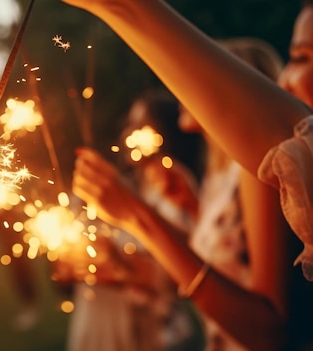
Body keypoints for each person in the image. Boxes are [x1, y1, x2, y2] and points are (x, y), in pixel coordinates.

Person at [65, 0, 313, 349]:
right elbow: (231, 264)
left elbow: (270, 331)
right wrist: (193, 209)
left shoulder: (265, 168)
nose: (181, 83)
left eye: (301, 57)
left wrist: (137, 215)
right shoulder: (218, 177)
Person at [59, 89, 203, 351]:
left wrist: (116, 263)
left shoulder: (179, 191)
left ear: (165, 136)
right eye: (129, 125)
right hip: (96, 325)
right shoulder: (121, 188)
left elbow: (180, 274)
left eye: (141, 126)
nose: (128, 133)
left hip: (146, 334)